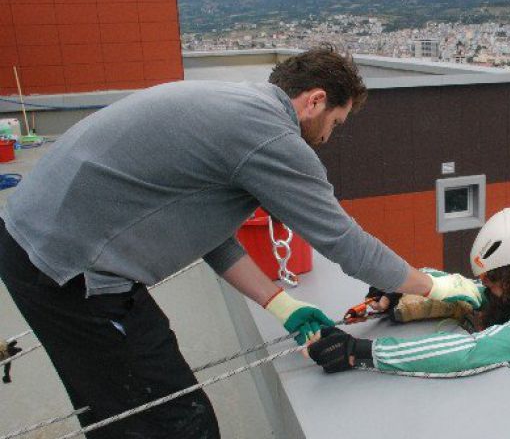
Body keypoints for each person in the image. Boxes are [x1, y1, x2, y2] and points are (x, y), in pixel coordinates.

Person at [0, 46, 480, 438]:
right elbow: (343, 241)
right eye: (336, 122)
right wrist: (433, 287)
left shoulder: (235, 106)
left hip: (38, 248)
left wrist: (280, 304)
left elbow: (209, 235)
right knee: (172, 423)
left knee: (117, 405)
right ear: (313, 101)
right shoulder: (269, 136)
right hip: (67, 269)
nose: (330, 137)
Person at [308, 207, 510, 436]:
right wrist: (399, 288)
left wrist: (362, 352)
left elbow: (466, 350)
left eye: (492, 277)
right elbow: (465, 289)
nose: (485, 283)